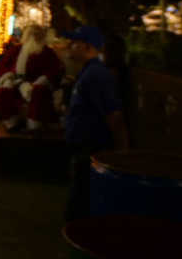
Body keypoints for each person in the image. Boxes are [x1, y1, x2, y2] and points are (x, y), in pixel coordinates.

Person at [62, 26, 128, 223]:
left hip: (91, 150)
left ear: (87, 47)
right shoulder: (88, 73)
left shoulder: (96, 75)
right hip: (83, 149)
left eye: (74, 43)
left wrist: (121, 146)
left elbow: (113, 115)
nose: (68, 46)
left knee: (79, 207)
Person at [0, 24, 64, 134]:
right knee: (0, 94)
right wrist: (8, 78)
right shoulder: (15, 50)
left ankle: (34, 124)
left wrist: (43, 80)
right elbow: (3, 65)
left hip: (37, 83)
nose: (35, 36)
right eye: (32, 34)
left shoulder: (47, 52)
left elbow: (55, 70)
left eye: (37, 34)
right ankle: (14, 121)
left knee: (39, 91)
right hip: (16, 82)